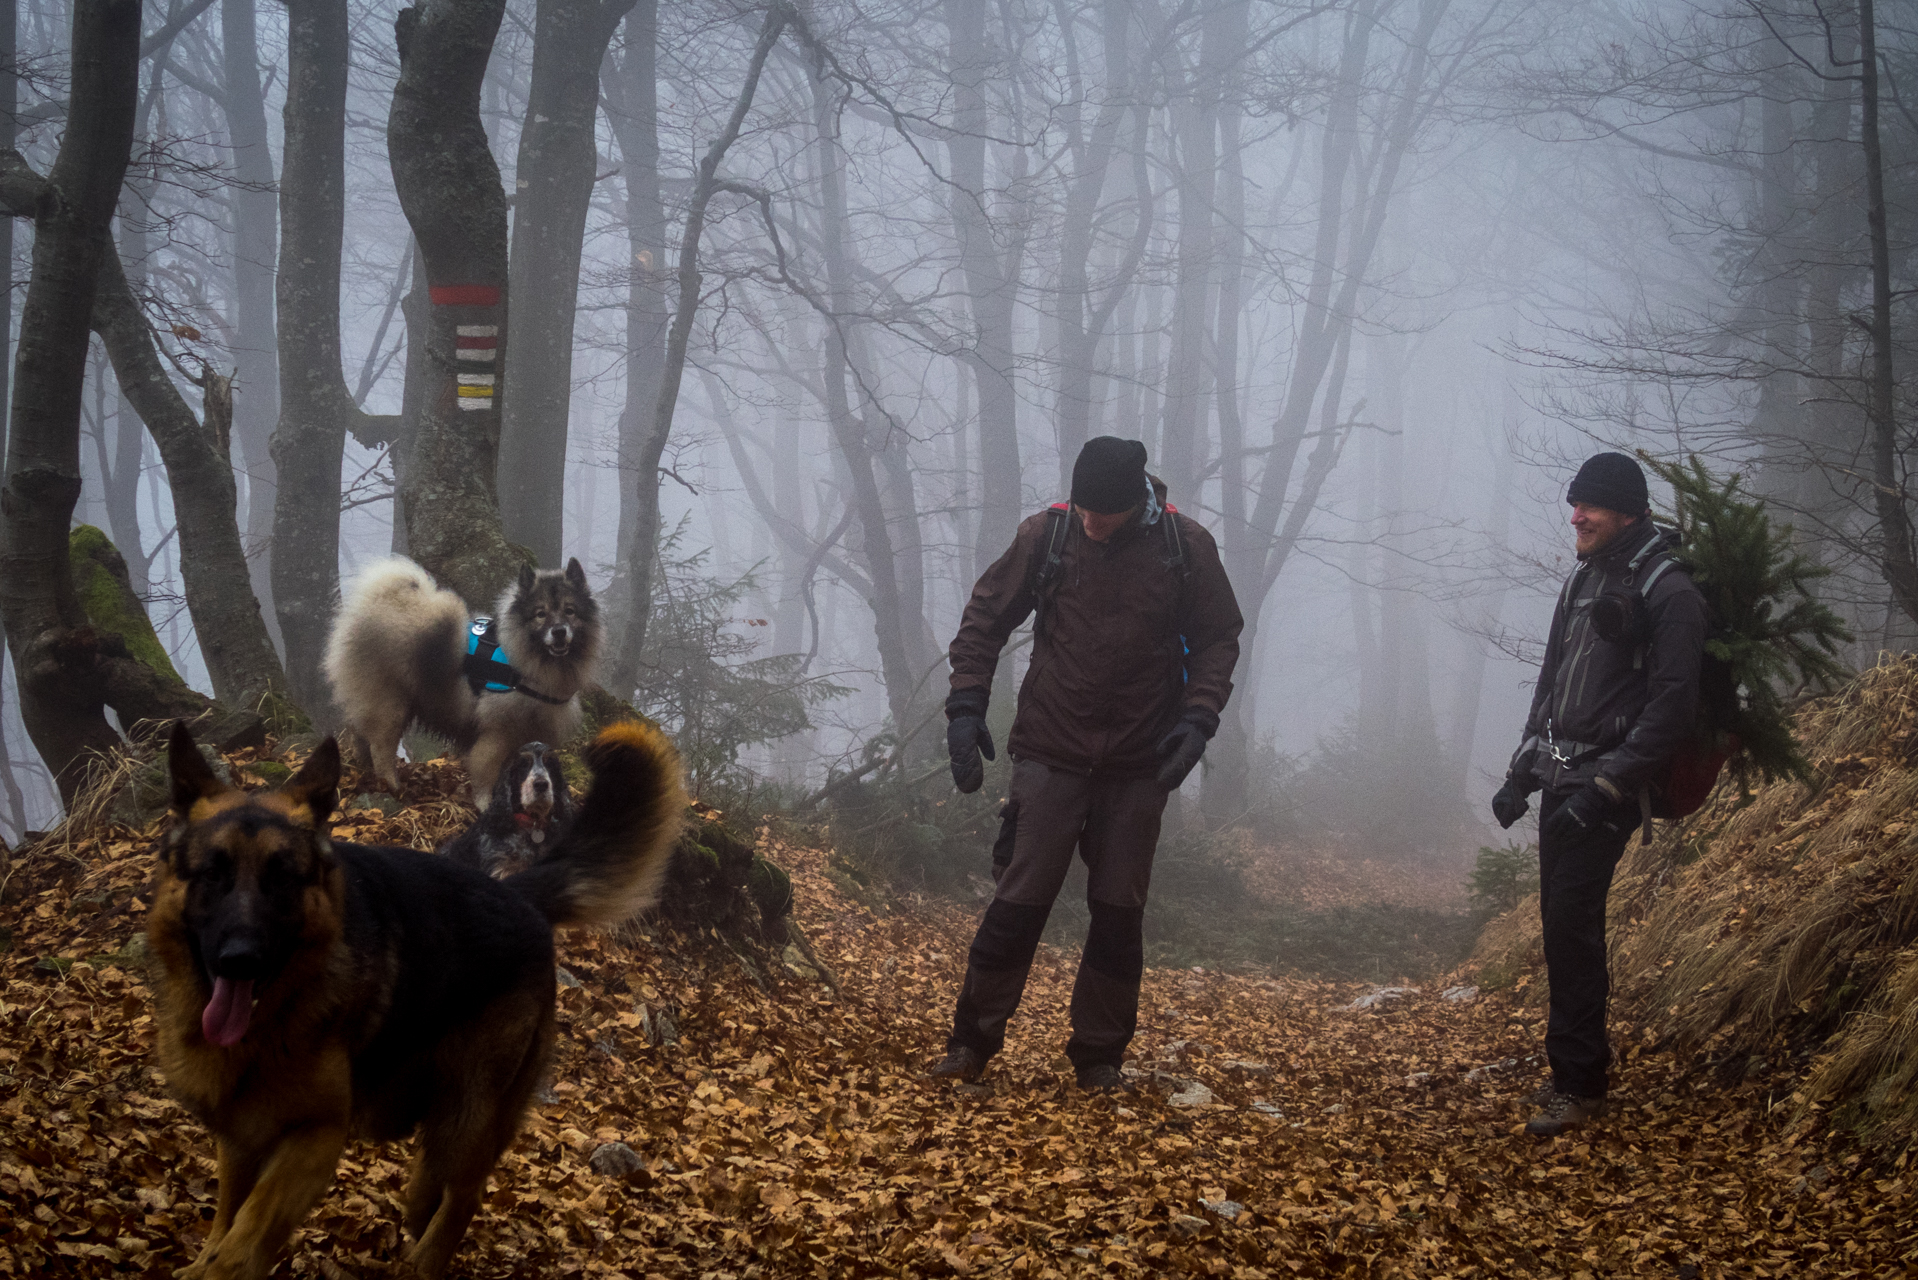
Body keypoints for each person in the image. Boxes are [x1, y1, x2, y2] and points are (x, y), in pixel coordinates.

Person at [931, 437, 1244, 1092]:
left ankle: (1099, 1056)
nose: (1091, 523)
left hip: (1139, 761)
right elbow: (986, 616)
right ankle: (970, 1043)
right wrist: (965, 705)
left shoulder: (1183, 550)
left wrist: (1198, 719)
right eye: (1084, 510)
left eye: (1103, 514)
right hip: (1051, 749)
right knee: (1017, 900)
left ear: (1138, 505)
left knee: (1118, 910)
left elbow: (1218, 637)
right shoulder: (1048, 535)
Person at [1492, 451, 1707, 1137]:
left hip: (1604, 791)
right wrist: (1520, 773)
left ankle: (1581, 1085)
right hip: (1562, 782)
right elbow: (1552, 685)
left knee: (1572, 929)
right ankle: (1574, 1073)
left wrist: (1609, 788)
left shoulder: (1669, 592)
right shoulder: (1585, 579)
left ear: (1627, 512)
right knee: (1563, 928)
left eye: (1588, 506)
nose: (1575, 515)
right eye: (1574, 504)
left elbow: (1672, 709)